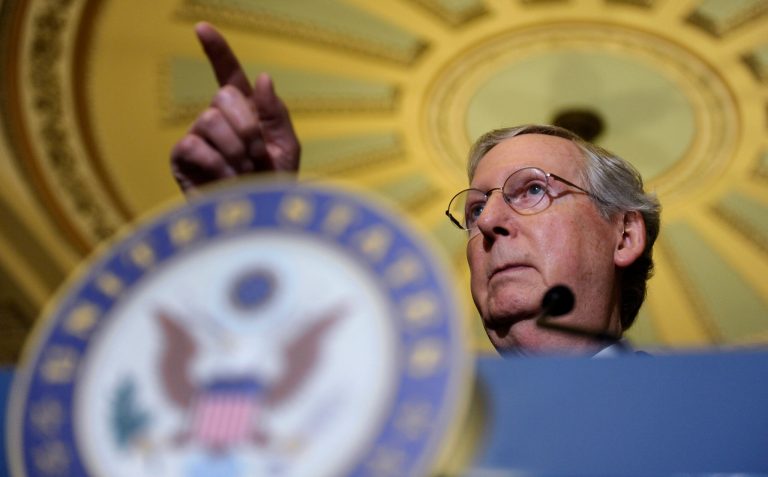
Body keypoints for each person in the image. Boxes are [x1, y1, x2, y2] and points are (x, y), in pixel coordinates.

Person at [171, 23, 661, 356]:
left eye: (531, 190)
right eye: (473, 211)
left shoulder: (716, 420)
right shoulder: (407, 429)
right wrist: (254, 229)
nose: (488, 222)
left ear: (623, 236)